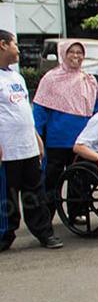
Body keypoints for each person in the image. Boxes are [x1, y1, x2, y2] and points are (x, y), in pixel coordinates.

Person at [0, 28, 59, 250]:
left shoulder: (16, 77)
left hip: (28, 146)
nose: (18, 50)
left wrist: (36, 138)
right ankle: (5, 234)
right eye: (15, 44)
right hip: (7, 150)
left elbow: (24, 110)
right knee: (7, 195)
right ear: (3, 44)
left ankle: (44, 233)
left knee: (35, 193)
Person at [33, 40, 98, 217]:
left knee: (80, 179)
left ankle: (77, 213)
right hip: (57, 140)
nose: (76, 56)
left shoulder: (89, 79)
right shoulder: (50, 78)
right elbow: (40, 109)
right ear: (63, 54)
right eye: (72, 52)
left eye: (80, 52)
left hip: (82, 140)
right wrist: (37, 134)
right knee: (51, 180)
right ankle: (46, 216)